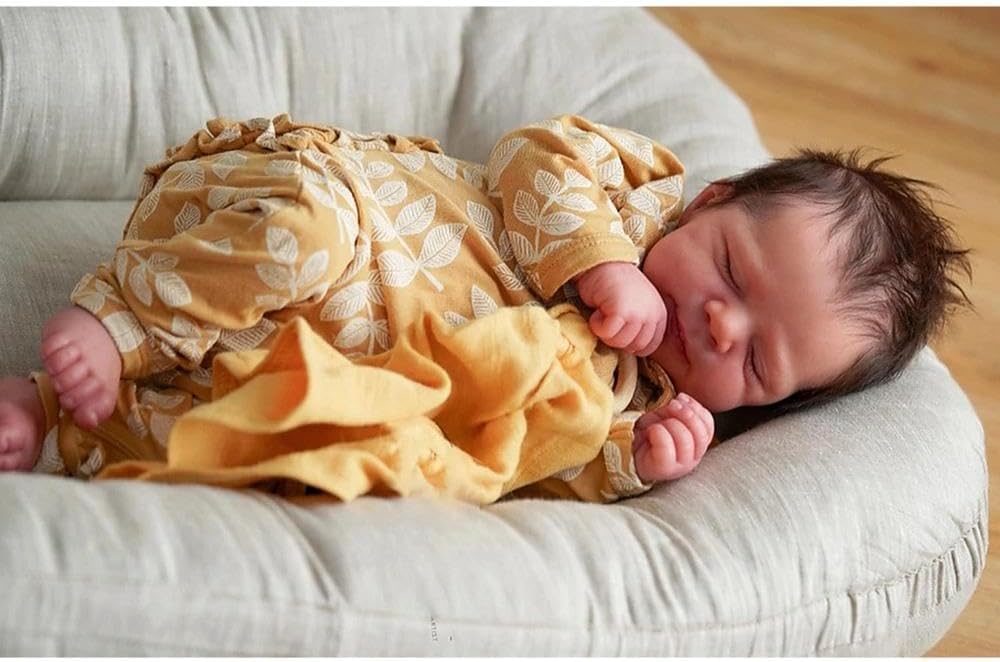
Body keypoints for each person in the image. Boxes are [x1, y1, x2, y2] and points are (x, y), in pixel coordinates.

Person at [0, 114, 971, 504]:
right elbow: (531, 153)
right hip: (324, 213)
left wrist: (635, 460)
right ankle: (119, 322)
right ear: (710, 202)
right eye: (730, 270)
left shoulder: (629, 398)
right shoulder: (632, 195)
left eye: (755, 363)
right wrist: (601, 264)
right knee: (301, 233)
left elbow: (540, 456)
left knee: (268, 421)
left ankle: (54, 412)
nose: (721, 324)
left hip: (324, 347)